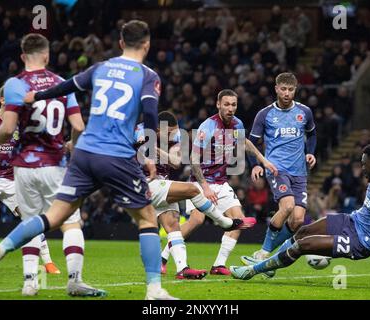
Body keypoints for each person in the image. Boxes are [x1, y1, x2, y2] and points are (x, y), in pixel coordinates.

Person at [0, 20, 177, 300]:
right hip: (116, 155)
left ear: (120, 42)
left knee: (53, 216)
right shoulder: (147, 75)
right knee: (147, 219)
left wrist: (39, 95)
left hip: (83, 155)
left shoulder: (101, 67)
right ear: (147, 44)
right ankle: (154, 290)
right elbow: (152, 115)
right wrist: (151, 154)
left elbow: (69, 85)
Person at [0, 32, 105, 297]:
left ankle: (30, 282)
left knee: (31, 221)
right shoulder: (62, 83)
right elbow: (79, 126)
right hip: (55, 163)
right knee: (70, 223)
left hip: (23, 167)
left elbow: (8, 128)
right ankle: (75, 281)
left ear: (23, 57)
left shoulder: (14, 84)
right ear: (47, 55)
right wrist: (73, 149)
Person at [230, 143, 370, 289]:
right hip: (352, 220)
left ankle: (251, 271)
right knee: (303, 231)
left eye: (364, 164)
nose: (362, 168)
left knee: (302, 245)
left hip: (360, 242)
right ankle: (270, 268)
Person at [160, 89, 278, 275]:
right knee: (196, 220)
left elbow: (245, 143)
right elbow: (194, 160)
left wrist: (263, 161)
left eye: (233, 105)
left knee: (238, 221)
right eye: (226, 104)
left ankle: (218, 265)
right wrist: (205, 188)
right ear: (218, 105)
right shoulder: (208, 127)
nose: (230, 108)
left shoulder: (237, 124)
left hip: (221, 183)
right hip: (200, 183)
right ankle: (163, 258)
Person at [135, 111, 256, 279]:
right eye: (170, 131)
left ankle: (181, 268)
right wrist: (141, 143)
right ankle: (225, 222)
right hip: (145, 183)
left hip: (162, 183)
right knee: (192, 190)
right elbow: (135, 144)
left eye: (175, 131)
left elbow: (176, 162)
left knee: (173, 226)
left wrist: (155, 148)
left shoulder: (175, 139)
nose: (174, 134)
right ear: (157, 128)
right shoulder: (140, 130)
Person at [0, 86, 60, 278]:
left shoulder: (21, 124)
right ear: (2, 100)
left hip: (12, 178)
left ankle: (49, 262)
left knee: (31, 218)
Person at [242, 72, 316, 270]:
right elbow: (251, 143)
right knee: (288, 206)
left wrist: (311, 153)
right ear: (276, 89)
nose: (286, 93)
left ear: (295, 90)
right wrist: (256, 164)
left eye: (290, 89)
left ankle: (264, 256)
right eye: (283, 89)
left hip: (300, 171)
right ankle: (264, 252)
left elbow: (312, 134)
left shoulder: (305, 112)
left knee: (298, 219)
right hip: (276, 169)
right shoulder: (265, 114)